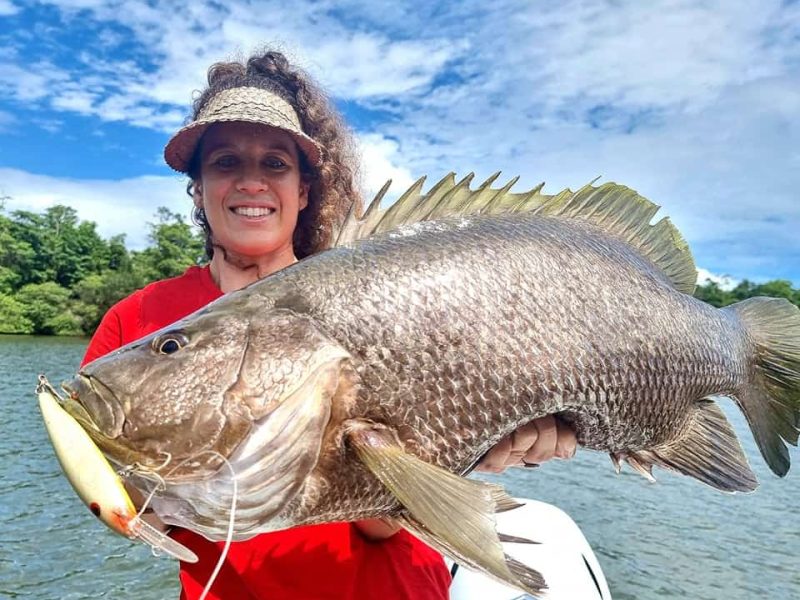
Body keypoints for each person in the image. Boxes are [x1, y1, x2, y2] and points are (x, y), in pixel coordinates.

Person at [82, 49, 577, 600]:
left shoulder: (377, 294)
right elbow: (122, 496)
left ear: (304, 190)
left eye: (275, 164)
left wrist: (485, 442)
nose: (251, 182)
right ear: (198, 186)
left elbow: (382, 523)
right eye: (225, 162)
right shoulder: (136, 322)